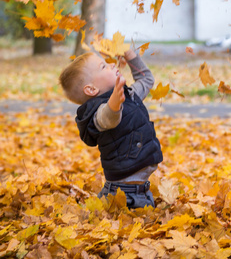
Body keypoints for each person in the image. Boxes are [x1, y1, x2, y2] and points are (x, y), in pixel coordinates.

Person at [58, 49, 163, 209]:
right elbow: (108, 118)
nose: (112, 65)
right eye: (103, 67)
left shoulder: (129, 95)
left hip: (138, 190)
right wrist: (115, 102)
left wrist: (132, 58)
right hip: (125, 194)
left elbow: (146, 79)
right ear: (91, 89)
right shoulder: (99, 111)